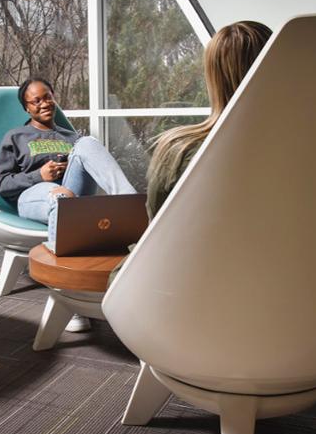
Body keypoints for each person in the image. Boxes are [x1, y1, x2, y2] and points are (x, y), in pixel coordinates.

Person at [108, 21, 273, 286]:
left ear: (214, 77)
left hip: (193, 289)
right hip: (287, 288)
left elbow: (158, 230)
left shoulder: (180, 148)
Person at [0, 77, 136, 332]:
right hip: (33, 195)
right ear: (27, 107)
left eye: (47, 96)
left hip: (71, 193)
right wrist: (40, 175)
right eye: (36, 101)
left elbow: (87, 170)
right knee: (58, 198)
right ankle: (68, 296)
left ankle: (131, 204)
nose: (44, 103)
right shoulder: (16, 136)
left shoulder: (70, 136)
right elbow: (3, 184)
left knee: (88, 143)